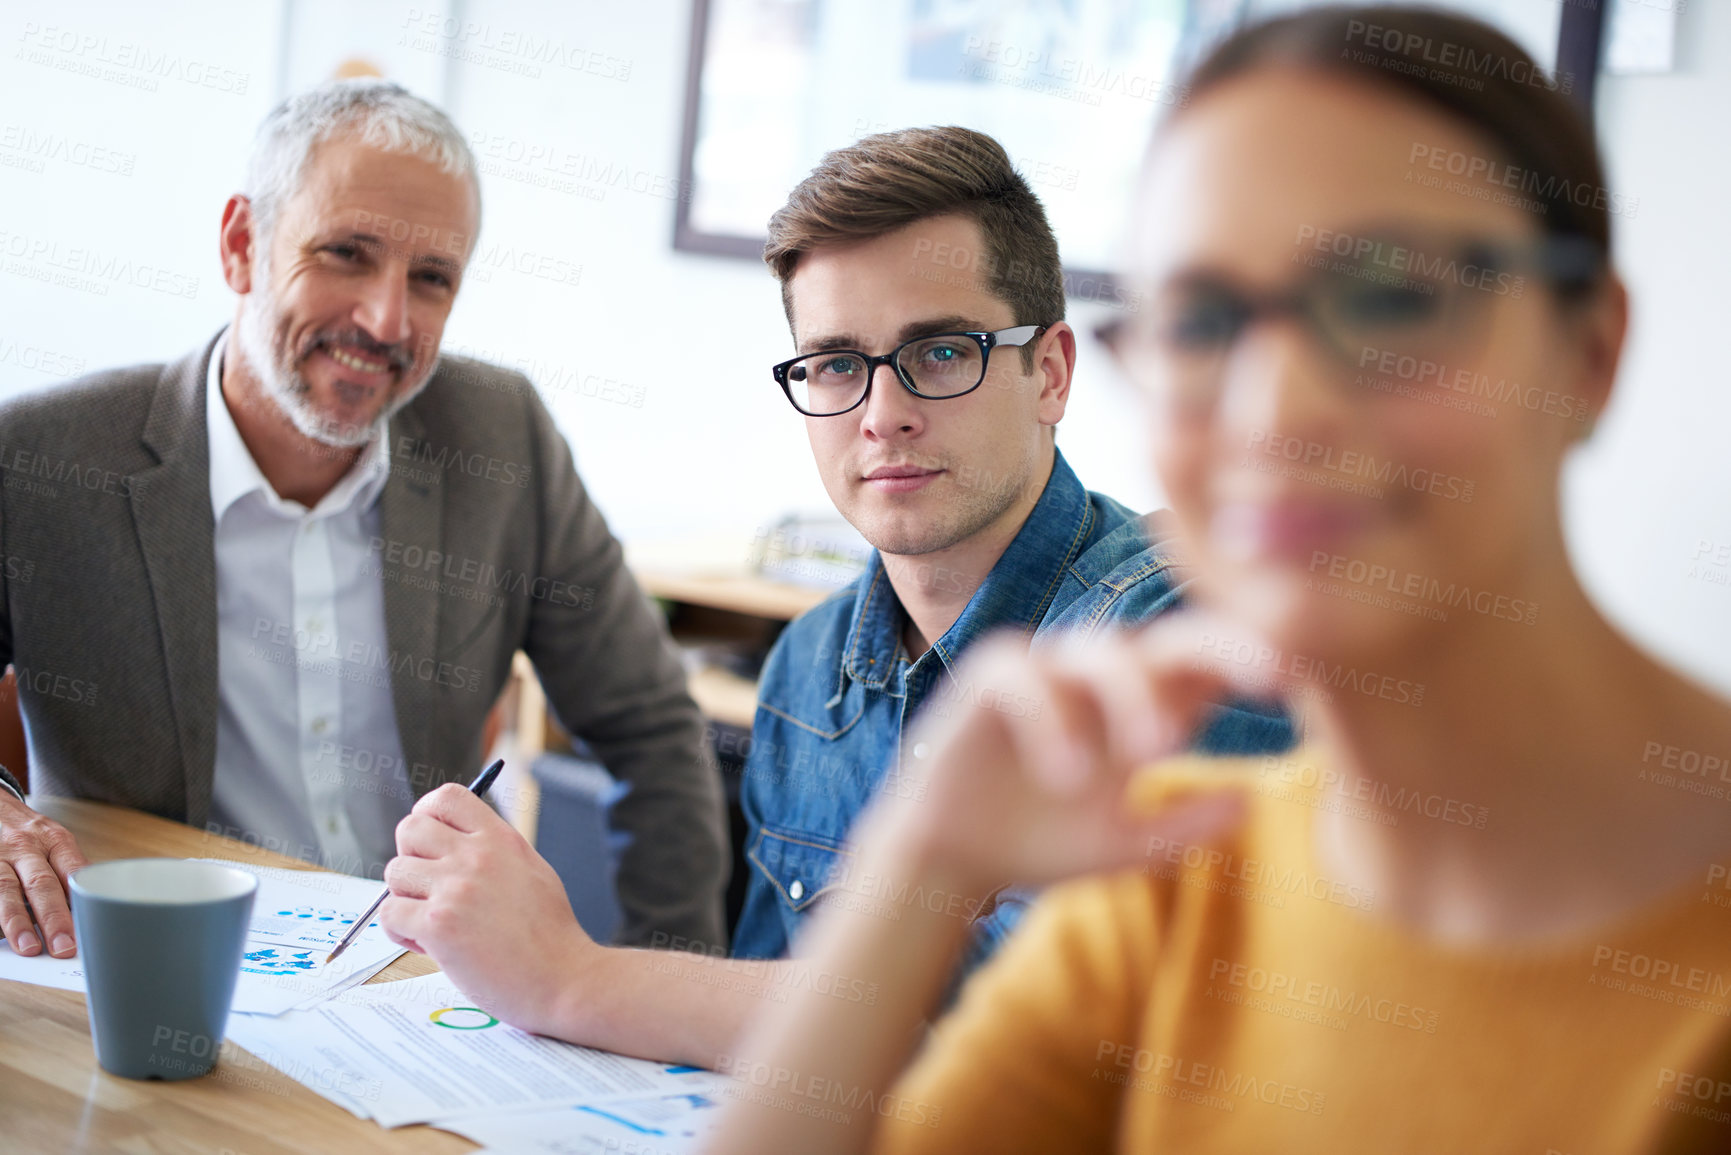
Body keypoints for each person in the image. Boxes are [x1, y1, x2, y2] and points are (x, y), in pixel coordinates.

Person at [707, 7, 1731, 1152]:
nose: (1272, 410)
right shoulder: (1188, 868)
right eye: (1202, 322)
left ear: (1587, 350)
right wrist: (924, 862)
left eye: (1387, 297)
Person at [376, 126, 1289, 1067]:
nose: (881, 413)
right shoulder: (806, 667)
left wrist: (568, 977)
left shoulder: (1178, 643)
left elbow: (1038, 1044)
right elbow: (766, 1056)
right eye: (837, 364)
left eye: (940, 353)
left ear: (1049, 372)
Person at [0, 79, 727, 961]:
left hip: (422, 981)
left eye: (431, 279)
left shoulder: (500, 435)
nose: (386, 319)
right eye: (346, 252)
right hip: (158, 960)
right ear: (241, 245)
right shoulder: (45, 457)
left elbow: (650, 725)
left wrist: (668, 988)